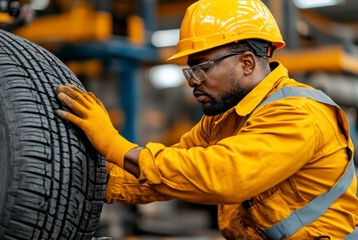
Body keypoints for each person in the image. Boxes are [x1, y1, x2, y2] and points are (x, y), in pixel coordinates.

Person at [56, 0, 358, 239]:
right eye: (190, 70)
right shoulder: (223, 119)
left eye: (203, 67)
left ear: (247, 63)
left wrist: (114, 144)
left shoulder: (298, 113)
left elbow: (225, 176)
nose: (192, 80)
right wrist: (92, 179)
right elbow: (170, 173)